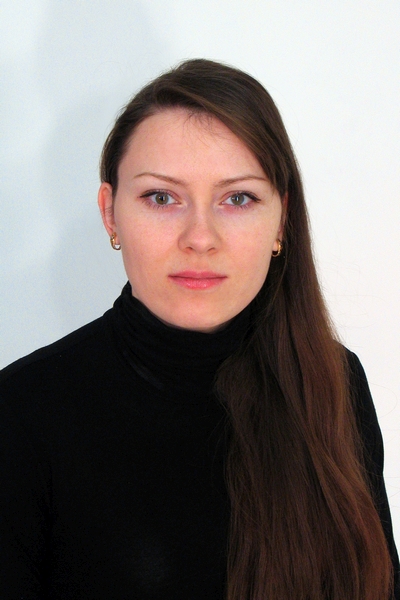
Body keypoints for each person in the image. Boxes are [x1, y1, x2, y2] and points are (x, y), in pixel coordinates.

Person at [0, 59, 398, 600]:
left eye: (238, 198)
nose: (200, 238)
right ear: (110, 214)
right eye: (162, 198)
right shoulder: (22, 412)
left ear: (281, 221)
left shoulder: (334, 380)